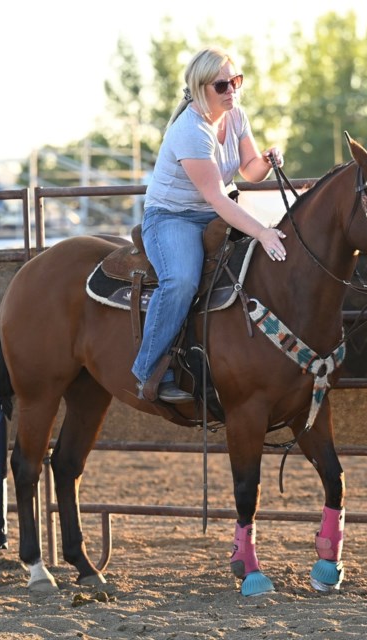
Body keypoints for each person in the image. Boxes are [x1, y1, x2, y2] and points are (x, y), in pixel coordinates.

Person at [131, 46, 287, 403]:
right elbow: (216, 196)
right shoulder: (190, 131)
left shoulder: (236, 116)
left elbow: (250, 171)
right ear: (200, 88)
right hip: (173, 216)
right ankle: (147, 369)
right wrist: (261, 231)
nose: (232, 90)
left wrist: (268, 158)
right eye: (222, 85)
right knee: (182, 280)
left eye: (236, 80)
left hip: (217, 213)